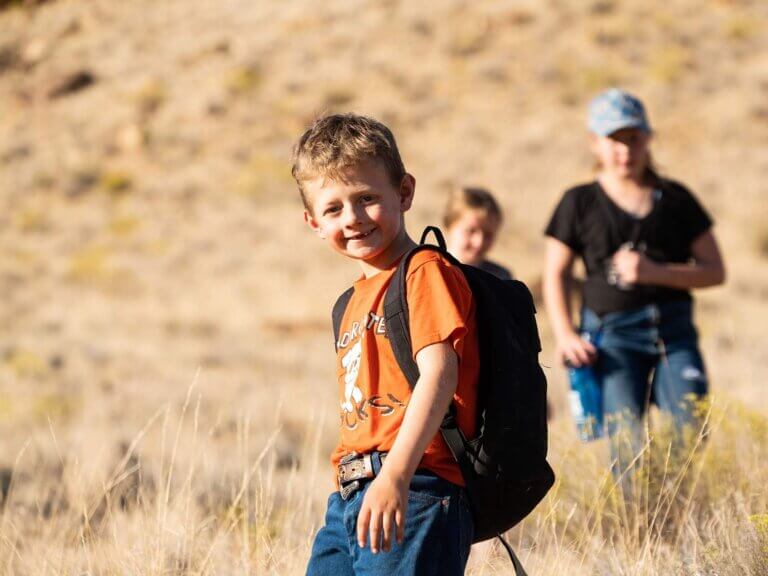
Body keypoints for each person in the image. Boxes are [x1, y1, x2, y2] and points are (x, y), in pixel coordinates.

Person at [292, 113, 476, 575]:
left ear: (405, 192)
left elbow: (439, 373)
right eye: (333, 209)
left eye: (367, 198)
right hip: (351, 499)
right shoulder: (347, 304)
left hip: (416, 489)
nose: (352, 218)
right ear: (313, 222)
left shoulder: (424, 271)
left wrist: (394, 473)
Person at [542, 89, 726, 483]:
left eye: (633, 138)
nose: (625, 150)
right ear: (595, 142)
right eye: (614, 140)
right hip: (613, 339)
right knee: (625, 443)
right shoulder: (579, 202)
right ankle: (638, 524)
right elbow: (555, 273)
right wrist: (565, 333)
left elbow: (715, 271)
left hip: (674, 336)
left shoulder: (676, 200)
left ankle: (673, 509)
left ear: (647, 139)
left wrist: (655, 272)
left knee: (690, 429)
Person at [443, 186, 512, 280]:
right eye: (470, 231)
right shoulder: (433, 270)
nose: (479, 242)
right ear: (449, 226)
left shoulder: (500, 278)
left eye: (488, 234)